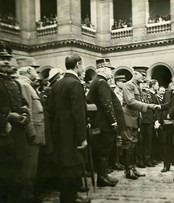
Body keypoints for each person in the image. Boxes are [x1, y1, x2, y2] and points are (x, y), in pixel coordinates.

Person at [47, 54, 90, 203]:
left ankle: (67, 196)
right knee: (73, 167)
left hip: (59, 132)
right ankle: (69, 198)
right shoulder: (75, 83)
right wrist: (83, 137)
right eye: (82, 65)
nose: (83, 68)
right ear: (78, 65)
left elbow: (50, 109)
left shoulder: (57, 84)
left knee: (64, 166)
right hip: (72, 133)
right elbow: (79, 113)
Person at [0, 42, 31, 202]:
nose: (5, 61)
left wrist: (25, 114)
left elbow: (24, 103)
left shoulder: (15, 83)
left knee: (17, 174)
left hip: (18, 137)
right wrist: (8, 116)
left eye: (7, 58)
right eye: (1, 58)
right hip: (3, 136)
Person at [86, 58, 123, 187]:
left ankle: (104, 176)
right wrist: (113, 121)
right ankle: (102, 178)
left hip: (99, 121)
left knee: (103, 150)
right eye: (110, 70)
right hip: (104, 123)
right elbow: (106, 103)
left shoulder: (97, 81)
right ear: (104, 70)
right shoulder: (102, 82)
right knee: (103, 151)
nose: (111, 73)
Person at [16, 57, 46, 201]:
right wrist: (32, 133)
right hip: (32, 136)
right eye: (35, 69)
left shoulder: (28, 84)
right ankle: (27, 198)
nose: (37, 73)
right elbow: (26, 110)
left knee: (32, 169)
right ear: (29, 70)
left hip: (35, 134)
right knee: (29, 170)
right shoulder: (24, 85)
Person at [122, 66, 159, 179]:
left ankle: (132, 168)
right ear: (135, 74)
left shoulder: (137, 86)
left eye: (145, 75)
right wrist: (149, 106)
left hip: (135, 117)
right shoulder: (128, 85)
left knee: (133, 143)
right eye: (142, 75)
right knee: (128, 144)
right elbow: (131, 102)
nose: (144, 77)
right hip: (128, 117)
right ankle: (128, 170)